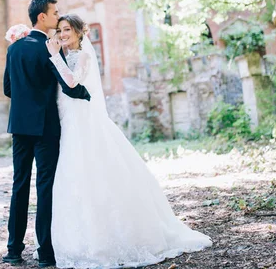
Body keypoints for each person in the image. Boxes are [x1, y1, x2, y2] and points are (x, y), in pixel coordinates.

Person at [43, 13, 213, 268]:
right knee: (73, 177)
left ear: (79, 32)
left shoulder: (84, 56)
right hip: (68, 123)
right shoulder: (65, 56)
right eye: (60, 30)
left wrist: (54, 55)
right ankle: (75, 241)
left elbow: (71, 82)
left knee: (94, 173)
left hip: (84, 123)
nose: (63, 34)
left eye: (67, 29)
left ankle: (108, 240)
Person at [2, 0, 91, 268]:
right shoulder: (49, 48)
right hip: (45, 127)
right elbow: (66, 84)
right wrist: (84, 94)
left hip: (19, 126)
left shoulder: (15, 48)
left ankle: (14, 250)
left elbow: (8, 89)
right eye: (54, 13)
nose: (58, 17)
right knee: (45, 187)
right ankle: (46, 252)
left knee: (19, 186)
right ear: (42, 17)